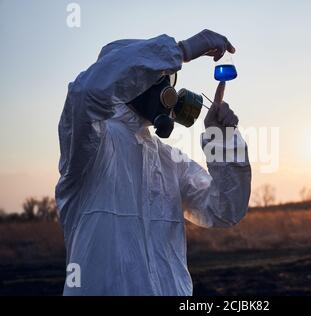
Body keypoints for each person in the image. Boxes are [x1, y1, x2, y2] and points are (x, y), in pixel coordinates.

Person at [55, 30, 251, 295]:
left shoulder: (171, 161)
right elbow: (86, 94)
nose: (165, 87)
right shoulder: (91, 144)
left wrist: (221, 140)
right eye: (155, 76)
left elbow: (223, 210)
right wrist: (180, 51)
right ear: (127, 80)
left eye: (166, 78)